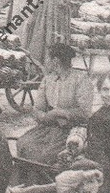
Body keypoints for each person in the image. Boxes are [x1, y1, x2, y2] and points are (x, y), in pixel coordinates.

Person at [15, 43, 96, 171]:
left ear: (55, 61)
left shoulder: (80, 79)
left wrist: (59, 113)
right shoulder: (48, 80)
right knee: (23, 143)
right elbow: (38, 108)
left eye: (47, 58)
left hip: (71, 129)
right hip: (48, 127)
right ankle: (27, 182)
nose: (45, 62)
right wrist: (43, 116)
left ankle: (42, 185)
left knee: (44, 155)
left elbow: (85, 113)